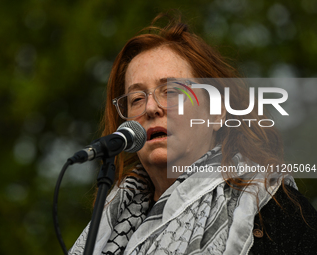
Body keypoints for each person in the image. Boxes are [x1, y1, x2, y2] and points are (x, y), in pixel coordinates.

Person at [69, 13, 317, 255]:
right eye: (136, 98)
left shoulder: (275, 213)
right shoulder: (105, 226)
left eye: (171, 91)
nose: (151, 108)